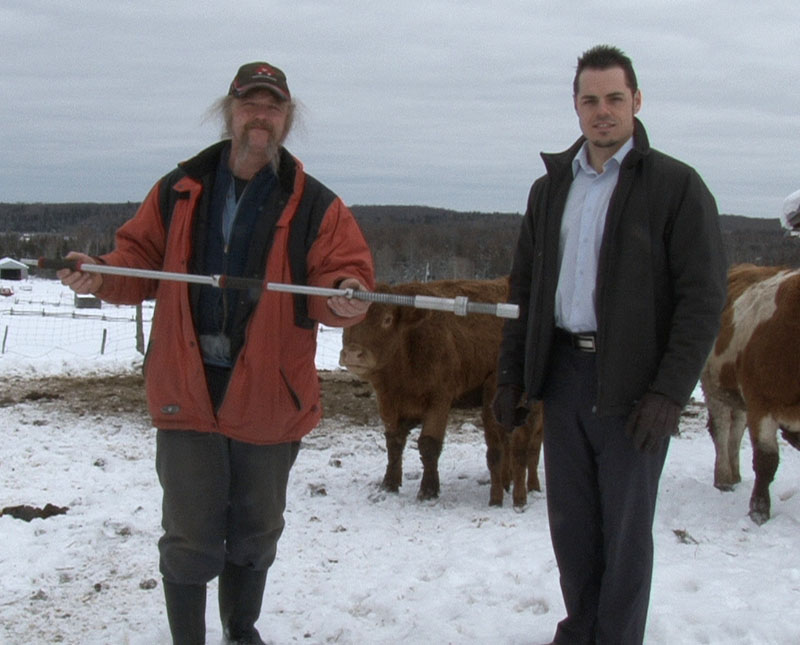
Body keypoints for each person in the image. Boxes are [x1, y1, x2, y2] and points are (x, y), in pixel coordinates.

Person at [58, 61, 375, 644]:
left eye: (273, 106)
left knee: (257, 528)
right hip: (188, 383)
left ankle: (241, 629)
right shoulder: (179, 190)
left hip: (270, 392)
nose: (261, 115)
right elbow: (137, 263)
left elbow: (342, 275)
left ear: (288, 117)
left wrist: (346, 298)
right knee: (189, 531)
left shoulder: (316, 204)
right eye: (250, 104)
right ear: (229, 112)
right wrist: (101, 275)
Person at [492, 45, 727, 644]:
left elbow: (702, 300)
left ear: (637, 102)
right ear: (575, 107)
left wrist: (670, 392)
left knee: (624, 533)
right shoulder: (551, 190)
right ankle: (581, 631)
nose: (602, 112)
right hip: (566, 373)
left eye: (614, 99)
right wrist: (512, 376)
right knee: (572, 525)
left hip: (635, 387)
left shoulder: (675, 186)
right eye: (590, 100)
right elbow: (525, 289)